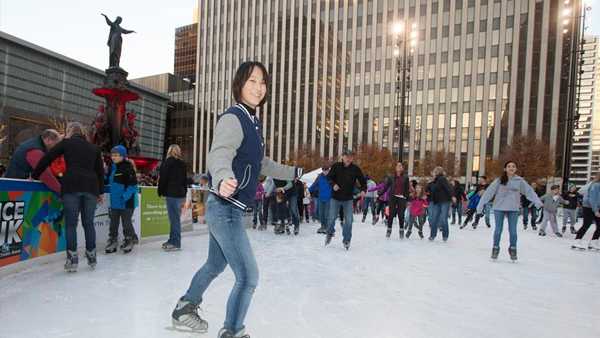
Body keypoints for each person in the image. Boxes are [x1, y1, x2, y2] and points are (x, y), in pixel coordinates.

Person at [171, 62, 302, 338]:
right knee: (248, 277)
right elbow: (219, 153)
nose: (258, 87)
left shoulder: (253, 122)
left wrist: (294, 172)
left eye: (263, 82)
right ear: (239, 84)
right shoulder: (234, 118)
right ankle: (232, 331)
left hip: (227, 208)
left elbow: (261, 162)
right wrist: (222, 177)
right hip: (225, 207)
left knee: (215, 265)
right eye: (252, 81)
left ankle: (185, 306)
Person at [32, 122, 104, 272]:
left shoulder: (66, 143)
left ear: (70, 131)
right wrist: (101, 192)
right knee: (88, 223)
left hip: (71, 186)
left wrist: (34, 175)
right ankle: (92, 256)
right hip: (91, 188)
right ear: (83, 132)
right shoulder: (94, 148)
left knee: (71, 224)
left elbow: (47, 158)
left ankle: (72, 259)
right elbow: (100, 172)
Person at [477, 161, 542, 261]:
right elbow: (489, 193)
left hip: (513, 209)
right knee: (498, 230)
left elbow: (529, 192)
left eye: (513, 166)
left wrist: (537, 202)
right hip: (499, 208)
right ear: (505, 169)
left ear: (515, 169)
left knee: (513, 232)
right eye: (509, 166)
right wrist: (480, 206)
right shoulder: (499, 180)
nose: (511, 168)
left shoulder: (519, 181)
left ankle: (512, 248)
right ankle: (495, 248)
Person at [325, 150, 367, 250]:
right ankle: (330, 233)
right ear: (342, 157)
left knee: (349, 220)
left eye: (350, 157)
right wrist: (333, 184)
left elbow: (363, 182)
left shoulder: (355, 169)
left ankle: (346, 240)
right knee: (331, 218)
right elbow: (329, 178)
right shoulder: (336, 166)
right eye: (346, 156)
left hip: (348, 198)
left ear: (352, 158)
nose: (348, 158)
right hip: (335, 197)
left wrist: (363, 190)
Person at [104, 145, 139, 254]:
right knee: (113, 223)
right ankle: (113, 240)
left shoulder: (128, 168)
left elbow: (132, 185)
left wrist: (124, 197)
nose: (113, 157)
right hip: (114, 202)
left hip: (125, 202)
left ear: (123, 156)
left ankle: (129, 239)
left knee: (126, 223)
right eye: (112, 155)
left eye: (116, 155)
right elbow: (109, 182)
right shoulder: (113, 168)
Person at [5, 129, 62, 194]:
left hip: (15, 185)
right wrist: (61, 191)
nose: (57, 147)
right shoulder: (35, 151)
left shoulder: (36, 144)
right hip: (14, 188)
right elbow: (45, 175)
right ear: (48, 140)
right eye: (56, 144)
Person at [158, 144, 190, 251]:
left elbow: (163, 179)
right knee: (175, 219)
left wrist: (160, 191)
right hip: (180, 194)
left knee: (174, 219)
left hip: (172, 194)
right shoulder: (182, 164)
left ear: (169, 151)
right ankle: (172, 240)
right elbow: (185, 181)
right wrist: (184, 194)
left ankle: (176, 242)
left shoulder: (167, 163)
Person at [571, 172, 600, 251]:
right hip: (589, 207)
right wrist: (596, 210)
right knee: (586, 224)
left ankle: (593, 243)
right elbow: (593, 199)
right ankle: (576, 241)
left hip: (595, 207)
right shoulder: (596, 185)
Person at [385, 162, 412, 239]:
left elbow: (407, 190)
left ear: (402, 168)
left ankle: (401, 230)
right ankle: (389, 230)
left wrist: (408, 200)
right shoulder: (391, 177)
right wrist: (380, 194)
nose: (399, 167)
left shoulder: (406, 177)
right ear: (395, 167)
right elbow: (386, 187)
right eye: (398, 165)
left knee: (401, 215)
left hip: (402, 198)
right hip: (393, 197)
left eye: (401, 166)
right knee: (391, 214)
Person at [426, 167, 453, 242]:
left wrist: (452, 196)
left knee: (444, 219)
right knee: (434, 219)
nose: (433, 173)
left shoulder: (442, 179)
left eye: (434, 171)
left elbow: (448, 188)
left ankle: (445, 235)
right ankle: (432, 235)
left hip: (444, 201)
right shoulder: (435, 180)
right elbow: (430, 190)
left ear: (438, 172)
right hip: (437, 202)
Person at [309, 166, 332, 234]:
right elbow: (314, 184)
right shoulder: (319, 177)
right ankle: (322, 226)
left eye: (326, 170)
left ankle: (327, 227)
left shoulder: (331, 177)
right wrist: (309, 189)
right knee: (321, 213)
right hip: (320, 198)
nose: (325, 172)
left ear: (328, 170)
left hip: (329, 198)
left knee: (326, 214)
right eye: (324, 170)